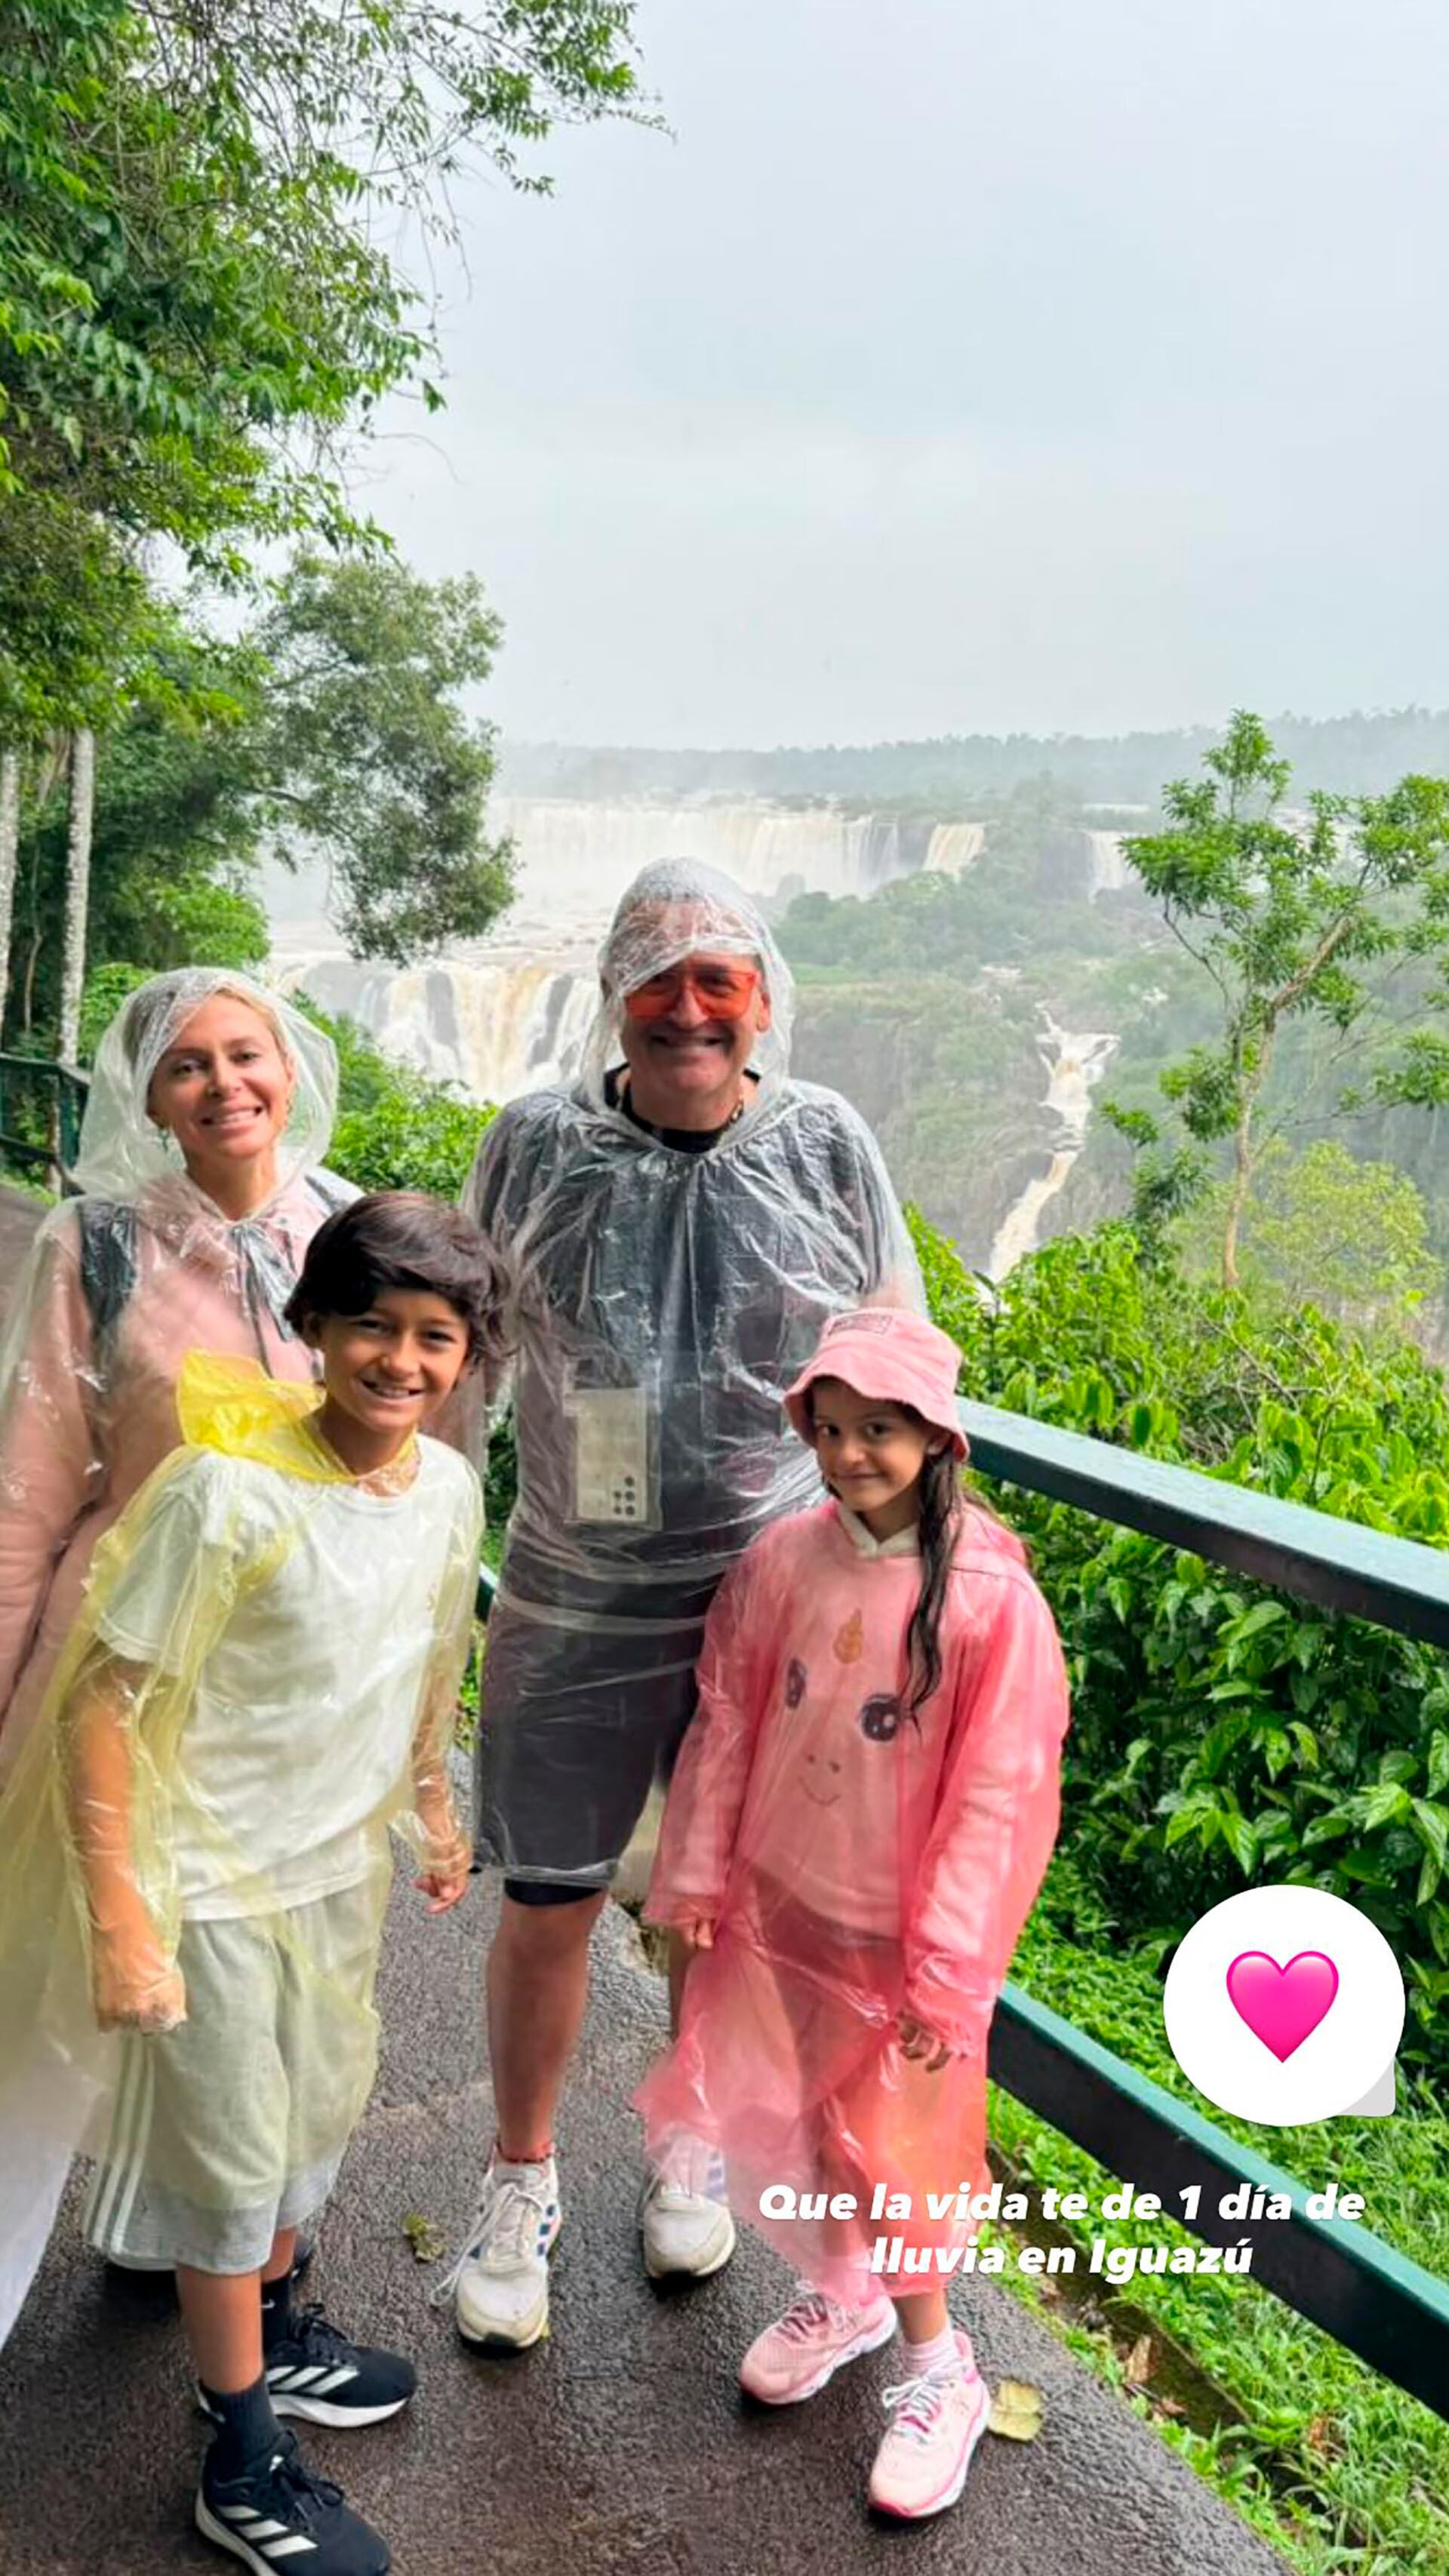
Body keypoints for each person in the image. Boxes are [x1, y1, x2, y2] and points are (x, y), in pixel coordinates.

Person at [446, 857, 921, 2349]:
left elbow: (895, 1346)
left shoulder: (828, 1144)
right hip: (576, 1592)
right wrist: (411, 1539)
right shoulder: (532, 1145)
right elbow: (464, 1357)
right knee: (550, 1893)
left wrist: (915, 1575)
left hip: (770, 1596)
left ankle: (689, 2133)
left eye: (719, 978)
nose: (688, 1008)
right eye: (658, 977)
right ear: (613, 996)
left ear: (763, 998)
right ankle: (521, 2177)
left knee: (720, 1899)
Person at [0, 1193, 506, 2576]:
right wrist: (121, 1915)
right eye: (371, 1328)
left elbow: (425, 1659)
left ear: (467, 1356)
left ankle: (275, 2331)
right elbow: (104, 1699)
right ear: (314, 1329)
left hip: (331, 1871)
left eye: (435, 1336)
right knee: (229, 2165)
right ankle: (238, 2452)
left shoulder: (448, 1490)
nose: (400, 1360)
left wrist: (433, 1807)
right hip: (208, 1882)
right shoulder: (226, 1491)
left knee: (308, 2118)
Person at [634, 1306, 1070, 2524]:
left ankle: (942, 2367)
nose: (848, 1453)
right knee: (819, 2121)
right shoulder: (784, 1560)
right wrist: (699, 1875)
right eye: (830, 1427)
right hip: (787, 1904)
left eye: (878, 1429)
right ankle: (848, 2288)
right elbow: (728, 1719)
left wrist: (946, 1971)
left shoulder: (988, 1602)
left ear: (937, 1437)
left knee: (899, 2146)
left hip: (898, 1935)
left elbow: (999, 1796)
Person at [0, 968, 355, 1787]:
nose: (224, 1083)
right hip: (124, 1647)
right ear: (152, 1100)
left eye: (245, 1054)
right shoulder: (97, 1248)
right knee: (106, 1904)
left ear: (289, 1070)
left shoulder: (353, 1231)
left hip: (296, 1656)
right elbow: (29, 1487)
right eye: (187, 1065)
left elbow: (414, 1458)